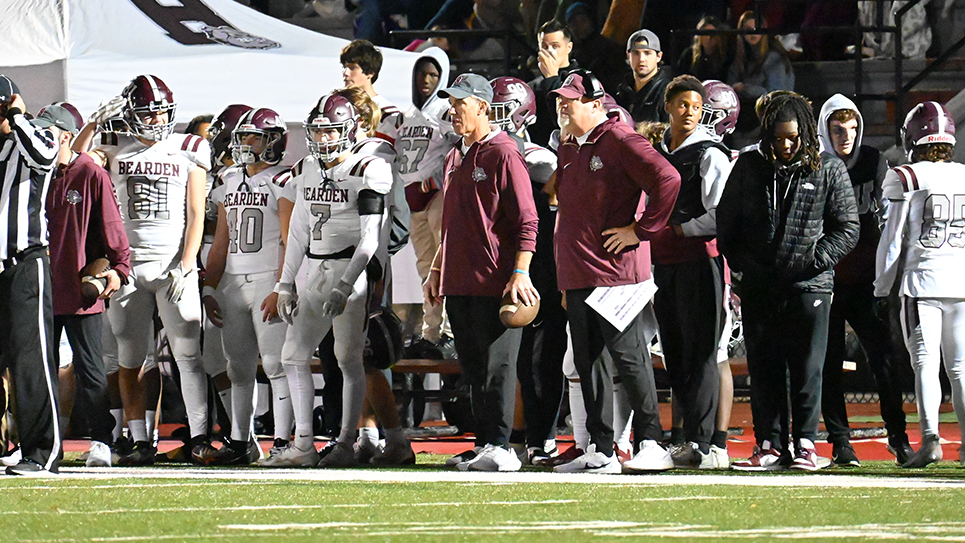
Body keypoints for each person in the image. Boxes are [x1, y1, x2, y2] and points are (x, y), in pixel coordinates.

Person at [717, 91, 859, 472]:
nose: (784, 145)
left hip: (809, 286)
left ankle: (807, 446)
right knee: (764, 368)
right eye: (778, 137)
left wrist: (815, 260)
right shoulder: (748, 166)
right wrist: (746, 268)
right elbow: (727, 226)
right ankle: (769, 444)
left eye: (792, 137)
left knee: (807, 369)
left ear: (807, 134)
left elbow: (848, 227)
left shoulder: (828, 169)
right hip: (761, 286)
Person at [74, 74, 212, 466]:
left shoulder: (190, 147)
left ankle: (200, 435)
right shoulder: (115, 145)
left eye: (161, 113)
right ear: (131, 115)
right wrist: (91, 125)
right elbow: (79, 164)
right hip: (128, 265)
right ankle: (138, 440)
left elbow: (197, 212)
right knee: (131, 356)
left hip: (171, 263)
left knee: (188, 354)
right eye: (148, 115)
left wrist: (187, 265)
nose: (156, 121)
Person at [551, 70, 680, 473]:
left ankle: (652, 442)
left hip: (616, 272)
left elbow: (668, 178)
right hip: (579, 270)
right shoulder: (568, 146)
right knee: (587, 362)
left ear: (594, 104)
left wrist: (640, 231)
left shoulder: (622, 138)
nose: (562, 107)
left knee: (629, 357)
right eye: (560, 100)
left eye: (570, 100)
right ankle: (601, 450)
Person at [423, 73, 539, 472]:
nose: (453, 110)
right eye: (451, 103)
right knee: (473, 367)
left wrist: (520, 272)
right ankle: (484, 441)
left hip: (495, 279)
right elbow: (454, 222)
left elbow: (527, 220)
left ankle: (504, 445)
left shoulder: (504, 152)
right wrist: (438, 266)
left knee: (497, 366)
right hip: (460, 276)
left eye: (460, 103)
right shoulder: (457, 153)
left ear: (483, 107)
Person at [269, 90, 390, 468]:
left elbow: (370, 240)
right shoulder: (306, 168)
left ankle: (345, 441)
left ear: (350, 130)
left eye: (330, 131)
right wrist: (285, 283)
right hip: (318, 270)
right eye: (318, 131)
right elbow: (299, 233)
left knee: (347, 358)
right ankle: (304, 443)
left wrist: (346, 285)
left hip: (349, 271)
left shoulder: (366, 168)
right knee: (292, 354)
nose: (323, 139)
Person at [816, 93, 912, 467]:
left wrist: (886, 271)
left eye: (852, 127)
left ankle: (898, 436)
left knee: (884, 359)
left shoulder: (874, 161)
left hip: (866, 281)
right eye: (837, 129)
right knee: (828, 362)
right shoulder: (817, 164)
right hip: (825, 276)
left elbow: (888, 217)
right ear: (825, 129)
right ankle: (840, 442)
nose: (846, 135)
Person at [874, 101, 964, 469]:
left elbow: (893, 239)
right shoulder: (962, 173)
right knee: (960, 367)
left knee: (925, 363)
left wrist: (881, 286)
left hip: (922, 282)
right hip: (960, 281)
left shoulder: (905, 175)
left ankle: (930, 439)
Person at [339, 39, 417, 466]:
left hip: (366, 254)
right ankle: (365, 434)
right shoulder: (335, 148)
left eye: (353, 67)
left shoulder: (386, 129)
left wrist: (379, 254)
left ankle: (390, 436)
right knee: (349, 352)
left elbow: (396, 204)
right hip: (335, 253)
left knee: (369, 349)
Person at [43, 101, 131, 468]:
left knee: (90, 368)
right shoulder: (35, 170)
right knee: (38, 371)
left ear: (65, 135)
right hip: (39, 289)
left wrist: (120, 267)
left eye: (46, 132)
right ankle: (44, 443)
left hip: (79, 288)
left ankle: (101, 440)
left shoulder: (91, 173)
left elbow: (112, 228)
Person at [202, 107, 291, 465]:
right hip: (233, 284)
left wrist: (283, 285)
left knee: (275, 364)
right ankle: (242, 441)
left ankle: (284, 441)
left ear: (272, 141)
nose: (244, 144)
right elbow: (221, 241)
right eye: (242, 137)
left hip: (268, 278)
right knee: (237, 367)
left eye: (252, 136)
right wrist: (210, 287)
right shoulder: (227, 179)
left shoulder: (283, 180)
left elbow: (289, 240)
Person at [652, 76, 733, 469]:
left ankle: (704, 442)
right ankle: (684, 438)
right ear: (668, 106)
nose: (689, 112)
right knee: (675, 352)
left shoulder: (709, 153)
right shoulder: (657, 149)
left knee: (702, 351)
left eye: (696, 106)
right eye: (682, 104)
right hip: (664, 263)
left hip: (699, 262)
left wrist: (681, 229)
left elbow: (720, 213)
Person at [489, 76, 564, 465]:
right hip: (500, 265)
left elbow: (547, 216)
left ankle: (543, 439)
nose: (491, 117)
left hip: (540, 267)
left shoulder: (537, 159)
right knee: (508, 360)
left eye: (499, 110)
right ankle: (510, 439)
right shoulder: (478, 151)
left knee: (541, 358)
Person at [0, 75, 61, 475]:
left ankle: (42, 451)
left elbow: (44, 157)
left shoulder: (34, 135)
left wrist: (18, 117)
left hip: (24, 263)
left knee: (31, 360)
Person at [397, 48, 459, 360]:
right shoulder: (404, 115)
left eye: (433, 74)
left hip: (437, 197)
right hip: (413, 201)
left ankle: (449, 332)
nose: (426, 80)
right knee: (426, 269)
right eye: (422, 73)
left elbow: (462, 146)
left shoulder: (447, 111)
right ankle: (431, 332)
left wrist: (438, 179)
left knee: (444, 266)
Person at [528, 19, 580, 148]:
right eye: (544, 47)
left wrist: (552, 77)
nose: (550, 51)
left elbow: (567, 119)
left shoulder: (581, 80)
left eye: (555, 46)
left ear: (569, 47)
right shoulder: (532, 86)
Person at [615, 29, 672, 124]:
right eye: (636, 53)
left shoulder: (668, 93)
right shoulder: (621, 91)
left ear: (659, 56)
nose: (641, 59)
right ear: (628, 55)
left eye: (647, 53)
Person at [675, 16, 735, 83]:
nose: (709, 38)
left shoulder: (726, 56)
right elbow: (680, 79)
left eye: (712, 34)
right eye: (705, 34)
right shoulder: (688, 55)